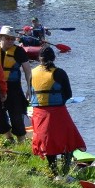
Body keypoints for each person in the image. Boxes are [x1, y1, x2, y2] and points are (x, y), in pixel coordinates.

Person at [29, 47, 86, 179]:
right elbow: (68, 94)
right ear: (54, 58)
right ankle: (65, 172)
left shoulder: (32, 72)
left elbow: (30, 91)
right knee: (68, 141)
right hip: (57, 112)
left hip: (38, 113)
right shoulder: (60, 73)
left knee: (47, 144)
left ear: (39, 59)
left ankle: (54, 172)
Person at [0, 26, 31, 144]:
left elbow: (28, 71)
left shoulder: (19, 51)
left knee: (17, 116)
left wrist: (29, 88)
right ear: (1, 38)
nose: (10, 41)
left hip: (14, 88)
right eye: (7, 38)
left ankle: (21, 141)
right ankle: (9, 138)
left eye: (12, 39)